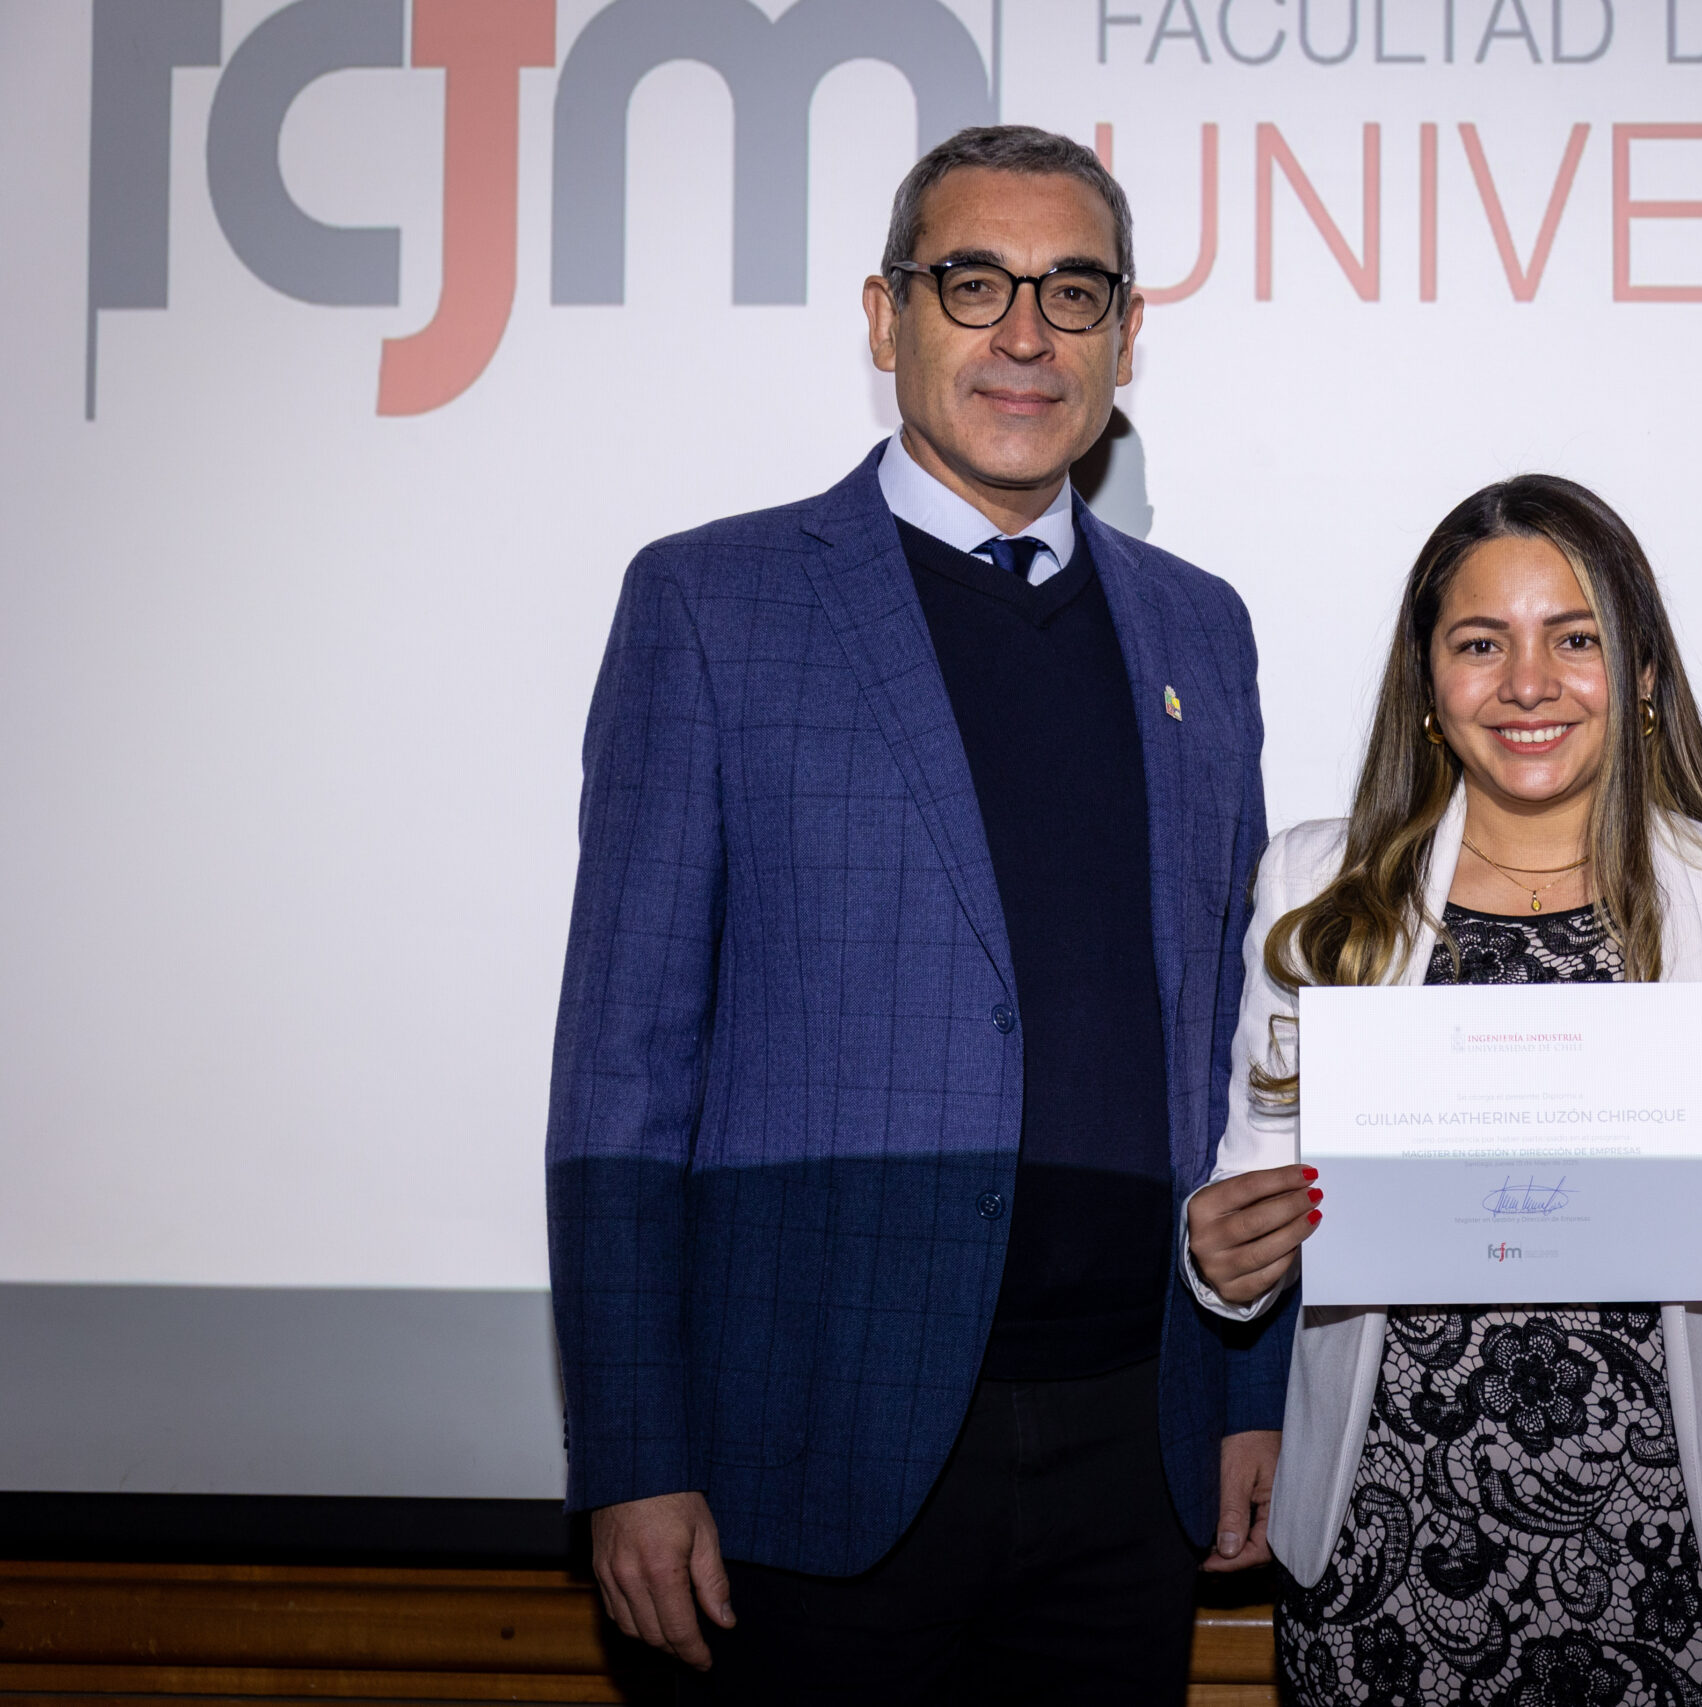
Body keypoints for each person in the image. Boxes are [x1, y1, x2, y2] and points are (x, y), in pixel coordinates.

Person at [546, 126, 1287, 1704]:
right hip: (809, 1447)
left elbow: (1243, 1050)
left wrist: (1248, 1388)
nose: (1026, 333)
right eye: (973, 284)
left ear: (1127, 334)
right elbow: (622, 1071)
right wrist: (631, 1449)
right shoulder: (710, 604)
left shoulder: (1201, 630)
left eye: (1071, 291)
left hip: (1133, 1442)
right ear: (887, 318)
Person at [1185, 476, 1702, 1705]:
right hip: (1382, 1549)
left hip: (1675, 1560)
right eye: (1480, 644)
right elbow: (1247, 1196)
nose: (1528, 684)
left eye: (1574, 639)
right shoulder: (1316, 883)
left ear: (1641, 673)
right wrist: (1218, 1256)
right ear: (1427, 684)